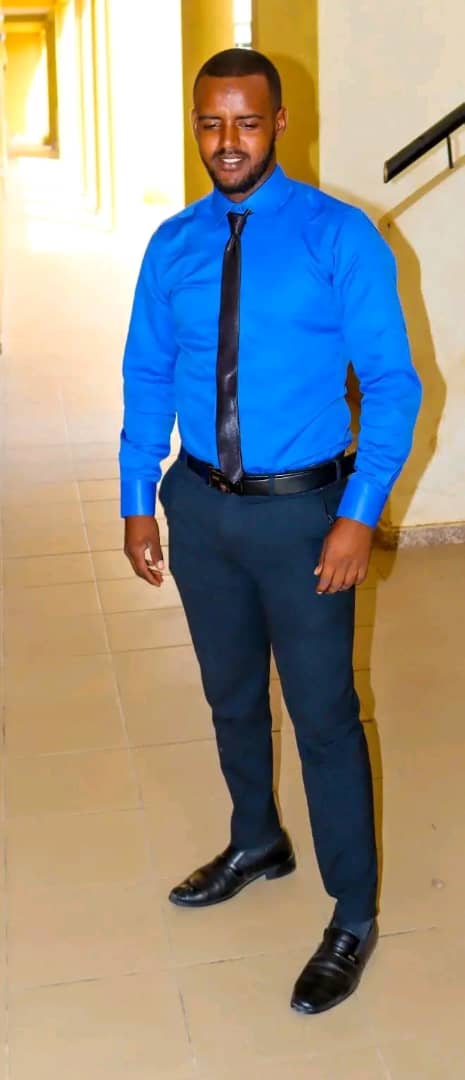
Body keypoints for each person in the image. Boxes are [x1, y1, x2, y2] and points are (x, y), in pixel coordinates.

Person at [120, 48, 422, 1014]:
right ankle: (256, 839)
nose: (228, 142)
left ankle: (353, 912)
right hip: (200, 508)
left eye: (246, 122)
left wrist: (356, 514)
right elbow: (147, 373)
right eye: (211, 123)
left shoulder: (340, 237)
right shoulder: (173, 244)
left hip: (303, 518)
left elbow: (394, 386)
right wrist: (137, 494)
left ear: (279, 123)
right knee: (231, 698)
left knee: (325, 716)